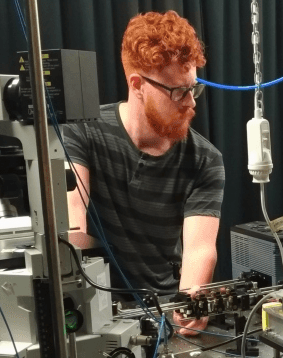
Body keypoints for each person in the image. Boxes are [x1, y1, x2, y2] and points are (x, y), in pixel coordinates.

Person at [63, 11, 224, 335]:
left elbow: (199, 249)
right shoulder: (81, 133)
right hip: (91, 318)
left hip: (162, 320)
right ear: (137, 85)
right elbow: (71, 230)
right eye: (178, 91)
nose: (191, 103)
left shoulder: (205, 159)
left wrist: (189, 305)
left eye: (194, 88)